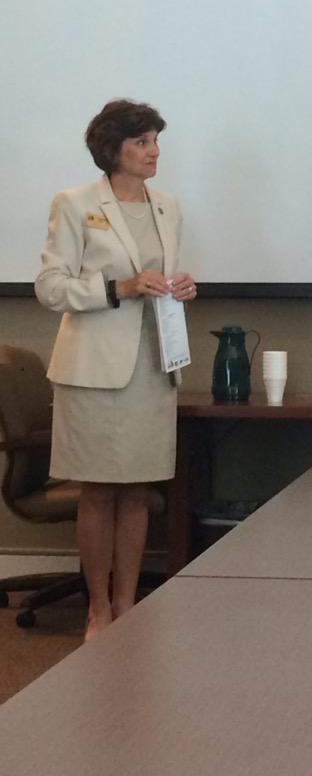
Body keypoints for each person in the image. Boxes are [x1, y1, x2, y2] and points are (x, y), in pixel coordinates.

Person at [35, 99, 197, 639]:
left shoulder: (168, 206)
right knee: (101, 492)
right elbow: (50, 288)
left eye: (156, 140)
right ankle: (98, 609)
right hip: (95, 371)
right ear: (113, 149)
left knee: (137, 492)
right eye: (142, 142)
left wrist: (181, 286)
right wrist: (119, 288)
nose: (155, 152)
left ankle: (127, 606)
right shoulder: (76, 203)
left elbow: (162, 278)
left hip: (153, 366)